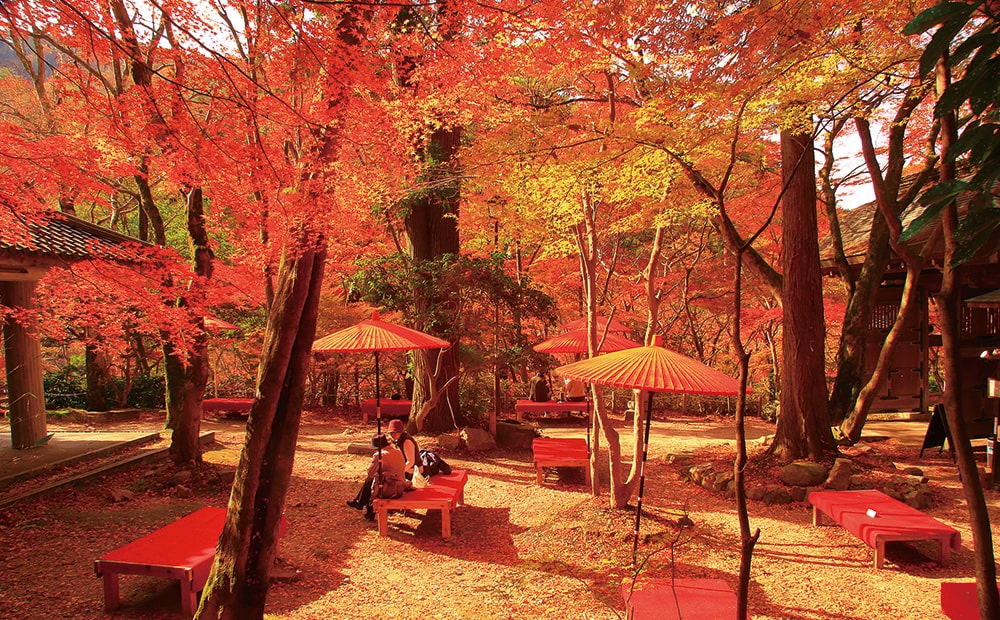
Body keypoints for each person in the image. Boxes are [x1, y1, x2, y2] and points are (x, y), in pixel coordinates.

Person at [346, 434, 409, 520]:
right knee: (374, 481)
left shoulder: (379, 455)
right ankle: (361, 505)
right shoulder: (398, 451)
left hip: (390, 488)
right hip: (400, 485)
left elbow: (370, 472)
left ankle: (361, 503)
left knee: (371, 481)